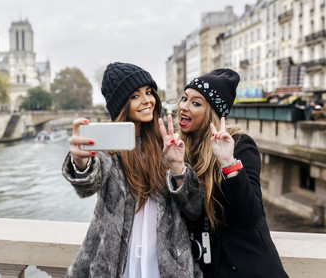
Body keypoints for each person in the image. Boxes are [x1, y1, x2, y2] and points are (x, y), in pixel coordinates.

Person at [62, 62, 204, 278]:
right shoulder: (109, 147)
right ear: (121, 104)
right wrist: (80, 162)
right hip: (118, 260)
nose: (147, 100)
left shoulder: (167, 142)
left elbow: (194, 208)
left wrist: (177, 167)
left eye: (149, 92)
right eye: (135, 96)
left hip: (166, 262)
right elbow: (89, 180)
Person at [177, 68, 288, 277]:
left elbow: (251, 214)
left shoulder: (240, 145)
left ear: (212, 113)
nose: (184, 107)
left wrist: (228, 162)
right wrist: (176, 168)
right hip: (209, 268)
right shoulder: (180, 149)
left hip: (250, 268)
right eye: (184, 98)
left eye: (196, 103)